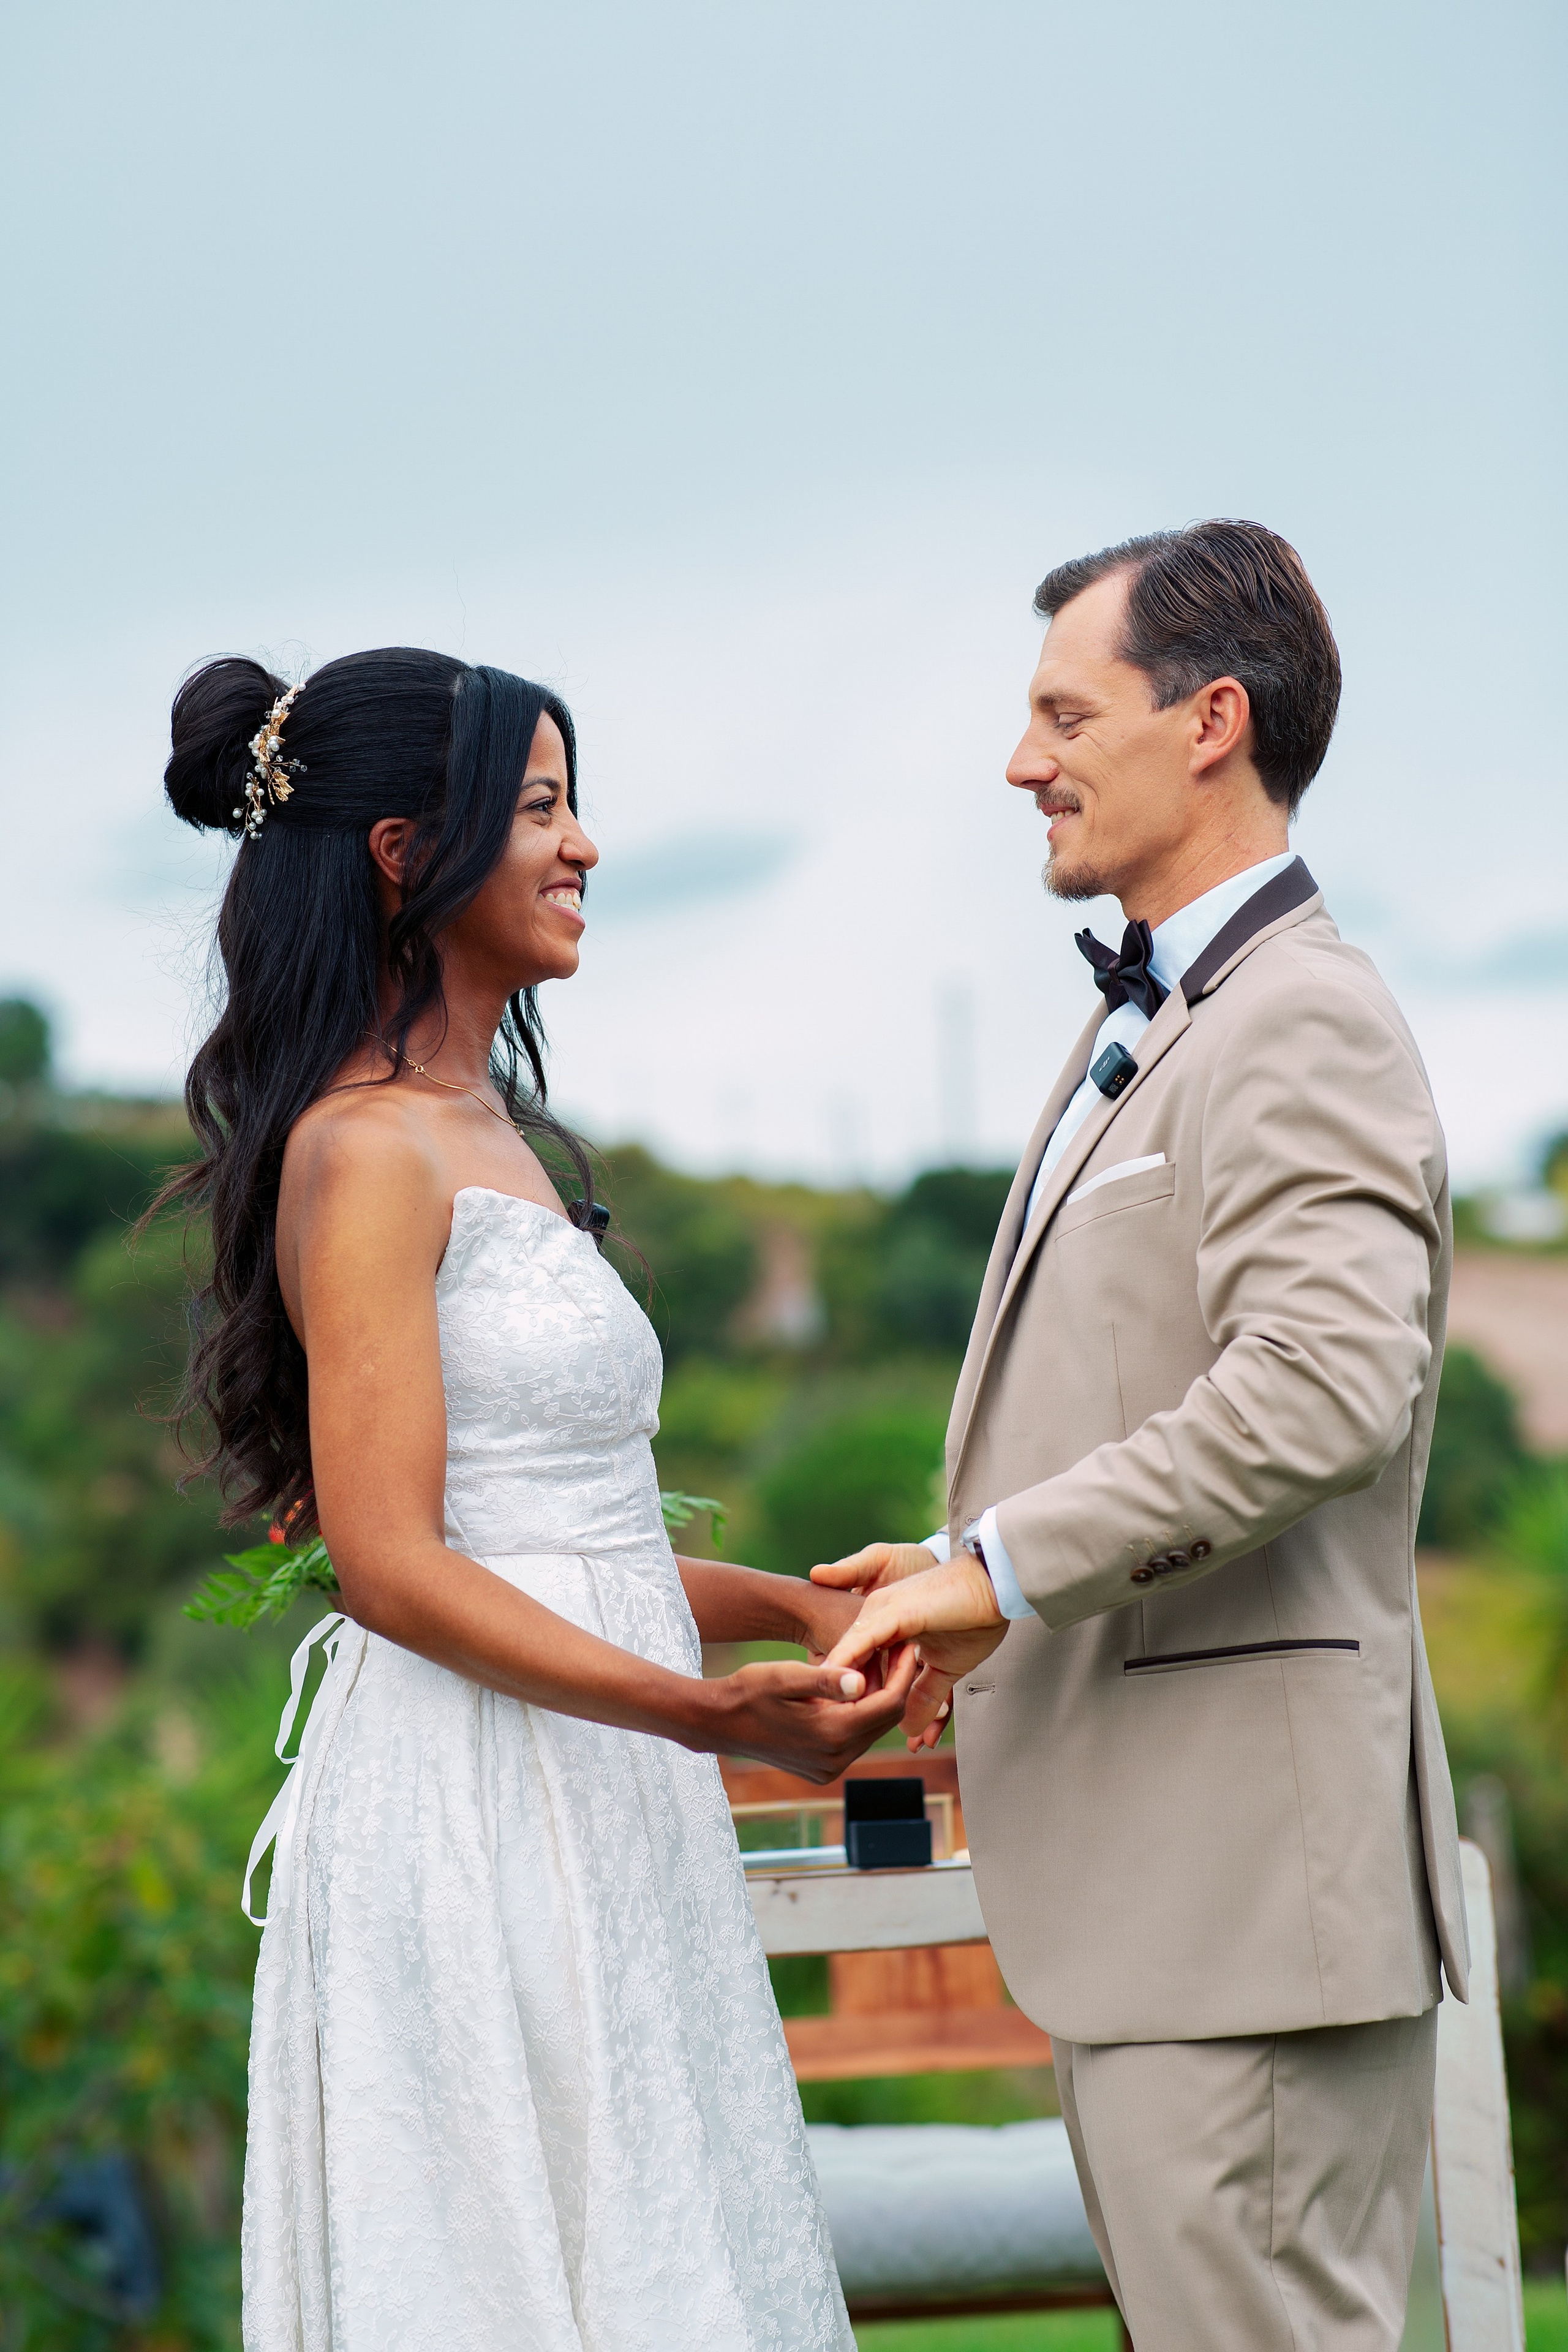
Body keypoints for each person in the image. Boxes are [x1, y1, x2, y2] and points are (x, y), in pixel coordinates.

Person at [158, 648, 911, 2352]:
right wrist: (701, 1713)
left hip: (599, 1795)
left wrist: (788, 1609)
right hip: (478, 1805)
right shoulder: (361, 1148)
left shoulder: (484, 1124)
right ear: (406, 852)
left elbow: (558, 1535)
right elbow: (392, 1562)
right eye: (545, 808)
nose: (584, 849)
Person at [815, 523, 1468, 2351]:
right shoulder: (1174, 1017)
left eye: (1061, 712)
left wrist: (998, 1568)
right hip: (1181, 1912)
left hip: (1245, 1906)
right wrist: (960, 1581)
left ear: (1212, 722)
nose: (1024, 762)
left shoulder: (1303, 1016)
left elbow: (1325, 1387)